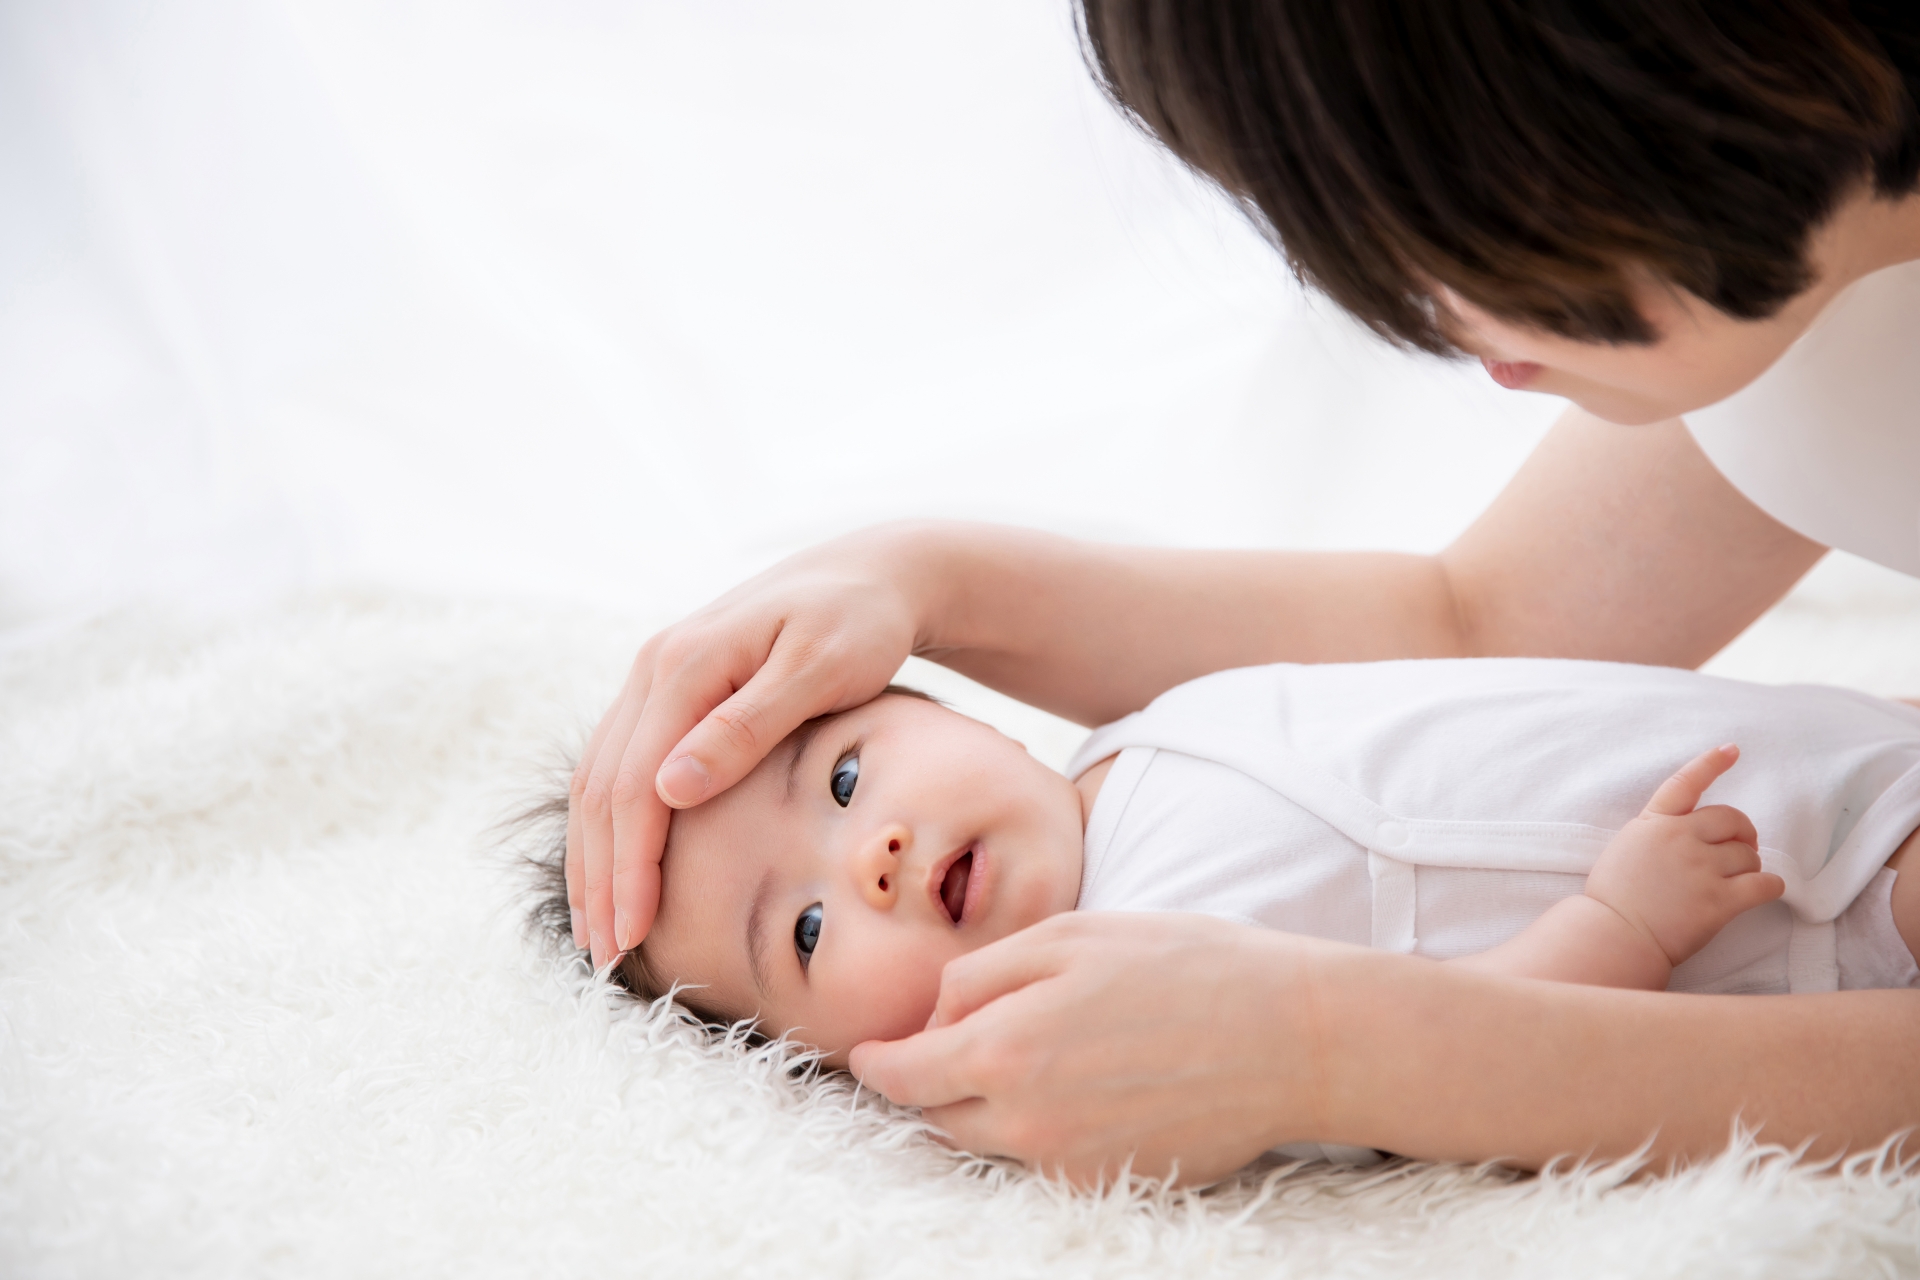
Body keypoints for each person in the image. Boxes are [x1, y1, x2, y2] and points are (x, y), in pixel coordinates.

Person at [567, 2, 1920, 1181]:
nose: (1422, 314)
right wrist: (920, 579)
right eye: (806, 930)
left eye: (1436, 216)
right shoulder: (1788, 339)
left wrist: (1335, 1053)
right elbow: (1479, 630)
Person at [542, 659, 1920, 1179]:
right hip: (1813, 935)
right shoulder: (1132, 1020)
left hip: (1826, 751)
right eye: (804, 935)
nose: (876, 857)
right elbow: (1442, 1061)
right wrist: (1622, 921)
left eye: (845, 778)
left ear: (959, 713)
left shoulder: (1146, 722)